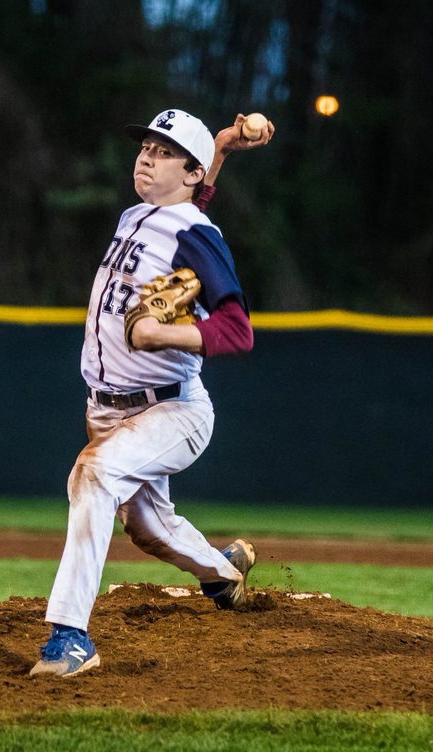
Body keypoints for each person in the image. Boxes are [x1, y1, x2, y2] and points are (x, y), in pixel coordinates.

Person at [30, 108, 275, 677]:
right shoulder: (141, 213)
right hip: (108, 409)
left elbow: (238, 330)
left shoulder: (198, 235)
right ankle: (223, 572)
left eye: (164, 152)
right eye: (145, 146)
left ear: (188, 173)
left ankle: (70, 639)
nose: (146, 155)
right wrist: (219, 147)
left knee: (91, 475)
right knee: (147, 527)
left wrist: (161, 331)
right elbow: (189, 204)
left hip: (172, 408)